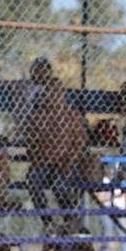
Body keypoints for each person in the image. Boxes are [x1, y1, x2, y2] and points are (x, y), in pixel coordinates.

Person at [23, 78, 87, 232]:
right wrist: (37, 158)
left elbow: (80, 144)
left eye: (57, 92)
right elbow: (31, 143)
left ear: (63, 95)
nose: (54, 96)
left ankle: (70, 219)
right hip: (43, 163)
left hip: (66, 163)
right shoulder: (38, 116)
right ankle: (48, 221)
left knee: (59, 184)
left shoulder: (72, 116)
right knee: (33, 180)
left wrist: (68, 161)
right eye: (50, 93)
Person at [96, 166, 126, 251]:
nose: (113, 172)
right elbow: (100, 199)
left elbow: (125, 198)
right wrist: (114, 196)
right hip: (107, 212)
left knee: (125, 237)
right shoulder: (103, 181)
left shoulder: (122, 181)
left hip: (121, 212)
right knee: (107, 237)